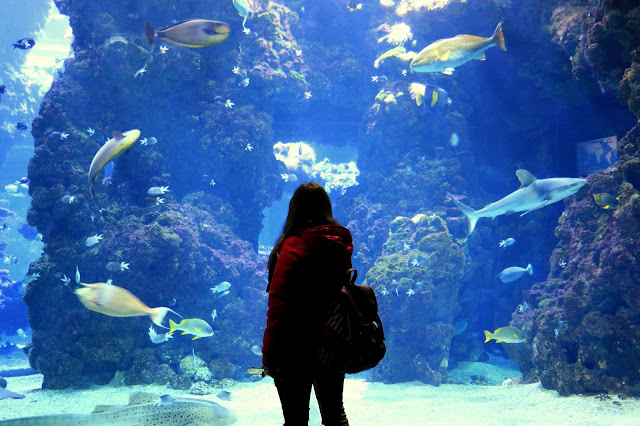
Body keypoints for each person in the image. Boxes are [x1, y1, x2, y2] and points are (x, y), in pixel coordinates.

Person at [263, 182, 352, 426]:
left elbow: (279, 305)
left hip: (294, 347)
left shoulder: (292, 247)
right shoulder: (339, 243)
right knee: (335, 415)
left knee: (296, 420)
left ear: (294, 210)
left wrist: (269, 354)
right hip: (332, 341)